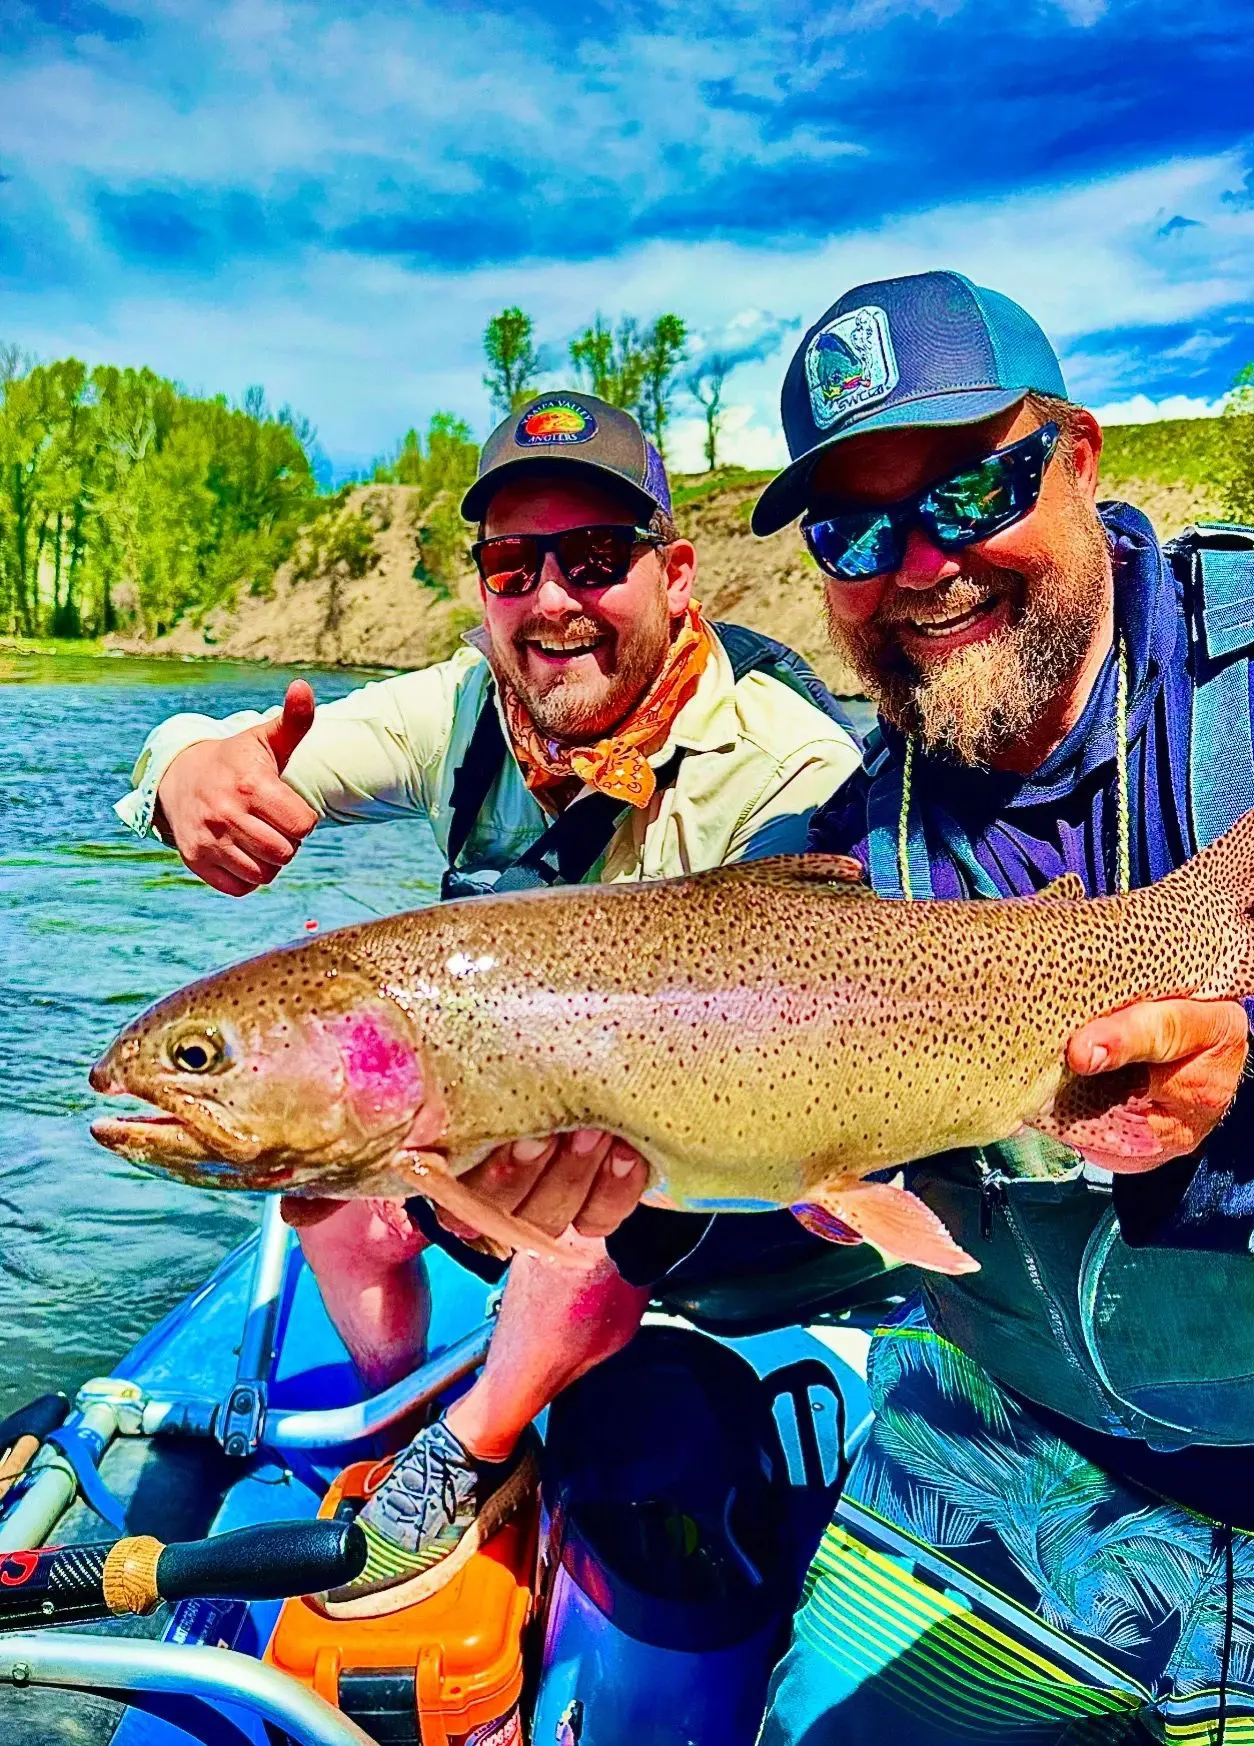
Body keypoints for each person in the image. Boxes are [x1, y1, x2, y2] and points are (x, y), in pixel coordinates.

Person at [719, 270, 1254, 1743]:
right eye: (852, 528)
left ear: (1079, 458)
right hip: (1000, 1442)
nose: (919, 564)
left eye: (970, 490)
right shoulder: (831, 855)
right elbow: (717, 1211)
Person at [115, 390, 861, 1614]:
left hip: (736, 1171)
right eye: (514, 565)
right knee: (326, 1166)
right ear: (482, 591)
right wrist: (186, 771)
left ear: (676, 574)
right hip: (534, 1106)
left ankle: (470, 1448)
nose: (553, 599)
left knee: (586, 1167)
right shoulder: (465, 704)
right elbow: (233, 750)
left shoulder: (791, 762)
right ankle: (399, 1396)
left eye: (597, 558)